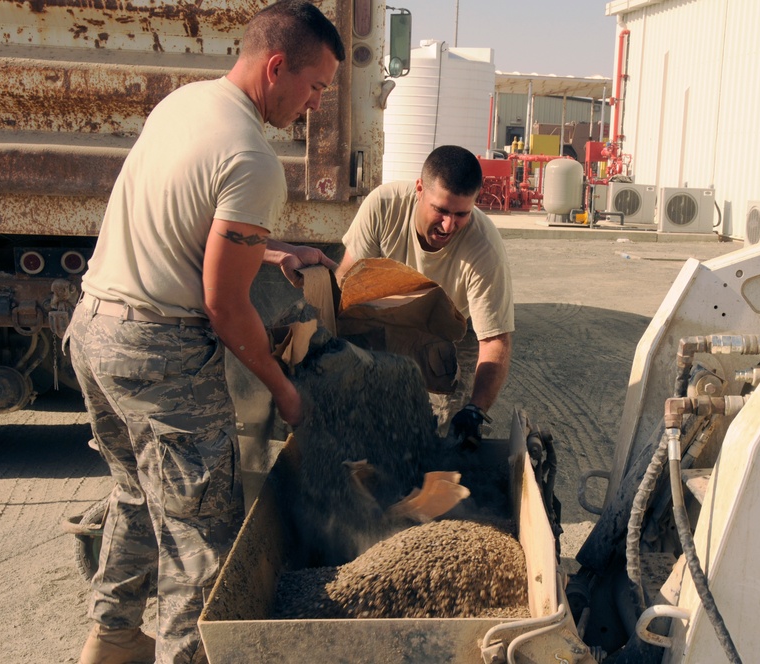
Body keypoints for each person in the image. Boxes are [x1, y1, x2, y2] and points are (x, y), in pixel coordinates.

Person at [65, 2, 344, 662]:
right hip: (159, 356)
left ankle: (112, 638)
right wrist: (283, 390)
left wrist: (269, 250)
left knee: (135, 495)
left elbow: (184, 216)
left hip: (93, 331)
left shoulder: (186, 104)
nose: (313, 105)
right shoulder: (254, 157)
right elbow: (226, 308)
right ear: (278, 67)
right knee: (204, 541)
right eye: (315, 87)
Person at [335, 145, 514, 446]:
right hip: (387, 316)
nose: (448, 225)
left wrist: (475, 409)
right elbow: (346, 284)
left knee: (444, 430)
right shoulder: (384, 206)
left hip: (454, 328)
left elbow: (495, 340)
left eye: (461, 214)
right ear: (419, 189)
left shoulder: (484, 249)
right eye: (441, 210)